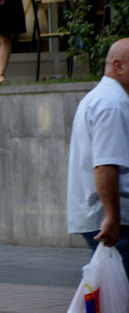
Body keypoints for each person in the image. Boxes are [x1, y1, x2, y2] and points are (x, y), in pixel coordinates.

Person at [67, 38, 129, 277]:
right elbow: (105, 165)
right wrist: (112, 217)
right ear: (119, 66)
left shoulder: (101, 99)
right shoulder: (112, 104)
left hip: (109, 220)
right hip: (115, 223)